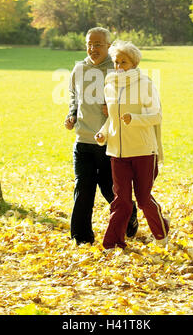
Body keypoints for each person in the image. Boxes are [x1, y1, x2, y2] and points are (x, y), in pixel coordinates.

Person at [64, 28, 138, 245]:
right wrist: (71, 114)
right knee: (83, 189)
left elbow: (132, 99)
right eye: (89, 44)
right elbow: (73, 97)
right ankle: (81, 238)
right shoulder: (79, 69)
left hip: (109, 141)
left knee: (109, 189)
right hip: (83, 140)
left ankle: (130, 214)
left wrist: (115, 107)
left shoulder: (117, 70)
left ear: (108, 46)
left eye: (98, 44)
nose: (92, 48)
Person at [95, 40, 169, 250]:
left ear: (134, 63)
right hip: (117, 153)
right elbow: (113, 118)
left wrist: (134, 119)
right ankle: (112, 243)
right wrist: (103, 133)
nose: (118, 67)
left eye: (123, 62)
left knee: (144, 200)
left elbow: (157, 116)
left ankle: (161, 235)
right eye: (116, 62)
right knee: (122, 201)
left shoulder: (145, 84)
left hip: (144, 151)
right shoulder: (109, 85)